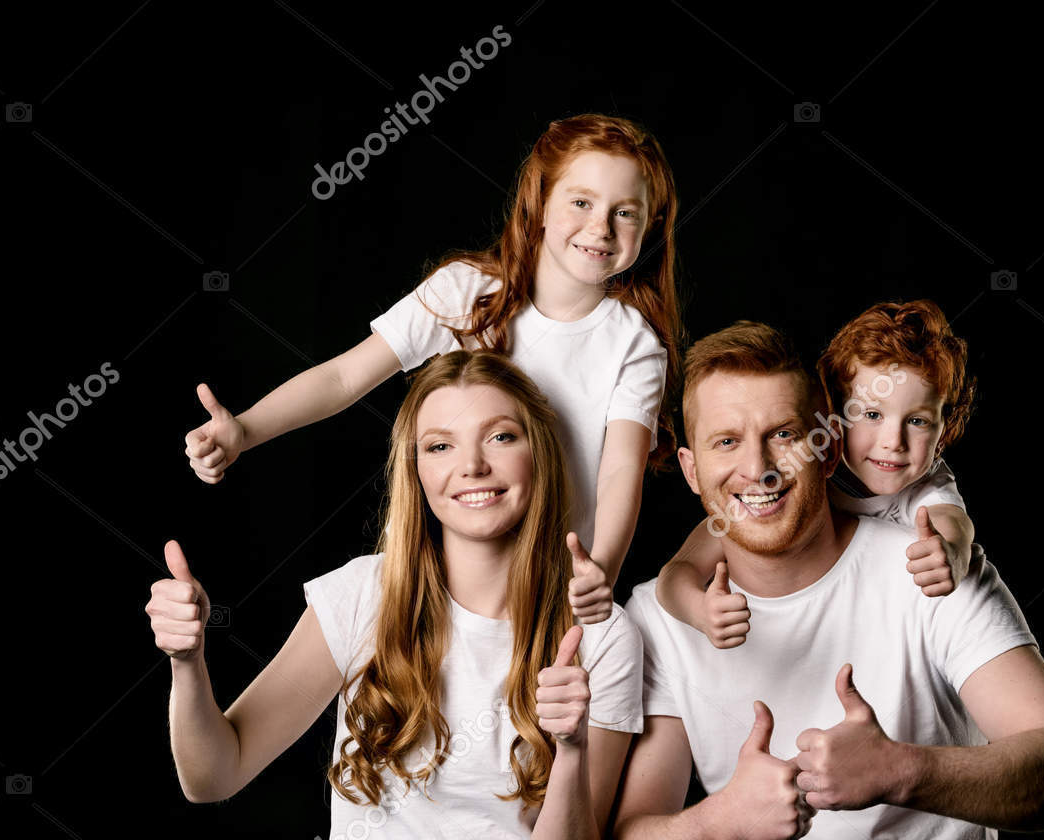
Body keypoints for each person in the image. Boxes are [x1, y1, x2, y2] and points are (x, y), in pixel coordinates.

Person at [609, 322, 1044, 840]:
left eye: (783, 436)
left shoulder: (925, 565)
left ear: (826, 446)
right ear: (689, 467)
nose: (758, 468)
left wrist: (900, 770)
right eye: (726, 443)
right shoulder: (660, 615)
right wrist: (725, 819)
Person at [147, 350, 643, 840]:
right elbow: (212, 775)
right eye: (440, 446)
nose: (470, 465)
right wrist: (187, 665)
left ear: (540, 455)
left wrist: (571, 750)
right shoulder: (362, 596)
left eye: (500, 437)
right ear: (416, 472)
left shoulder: (601, 636)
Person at [183, 114, 682, 624]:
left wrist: (599, 575)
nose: (601, 227)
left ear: (649, 226)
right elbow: (343, 378)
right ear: (541, 204)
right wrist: (245, 430)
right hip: (449, 574)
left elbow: (621, 469)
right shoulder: (465, 293)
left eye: (625, 213)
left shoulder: (634, 343)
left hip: (548, 591)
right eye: (582, 202)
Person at [655, 300, 976, 647]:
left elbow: (952, 523)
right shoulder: (807, 465)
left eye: (917, 421)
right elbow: (675, 574)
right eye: (871, 415)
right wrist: (699, 613)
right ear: (832, 419)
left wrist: (954, 554)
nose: (892, 442)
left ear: (943, 436)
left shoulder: (927, 484)